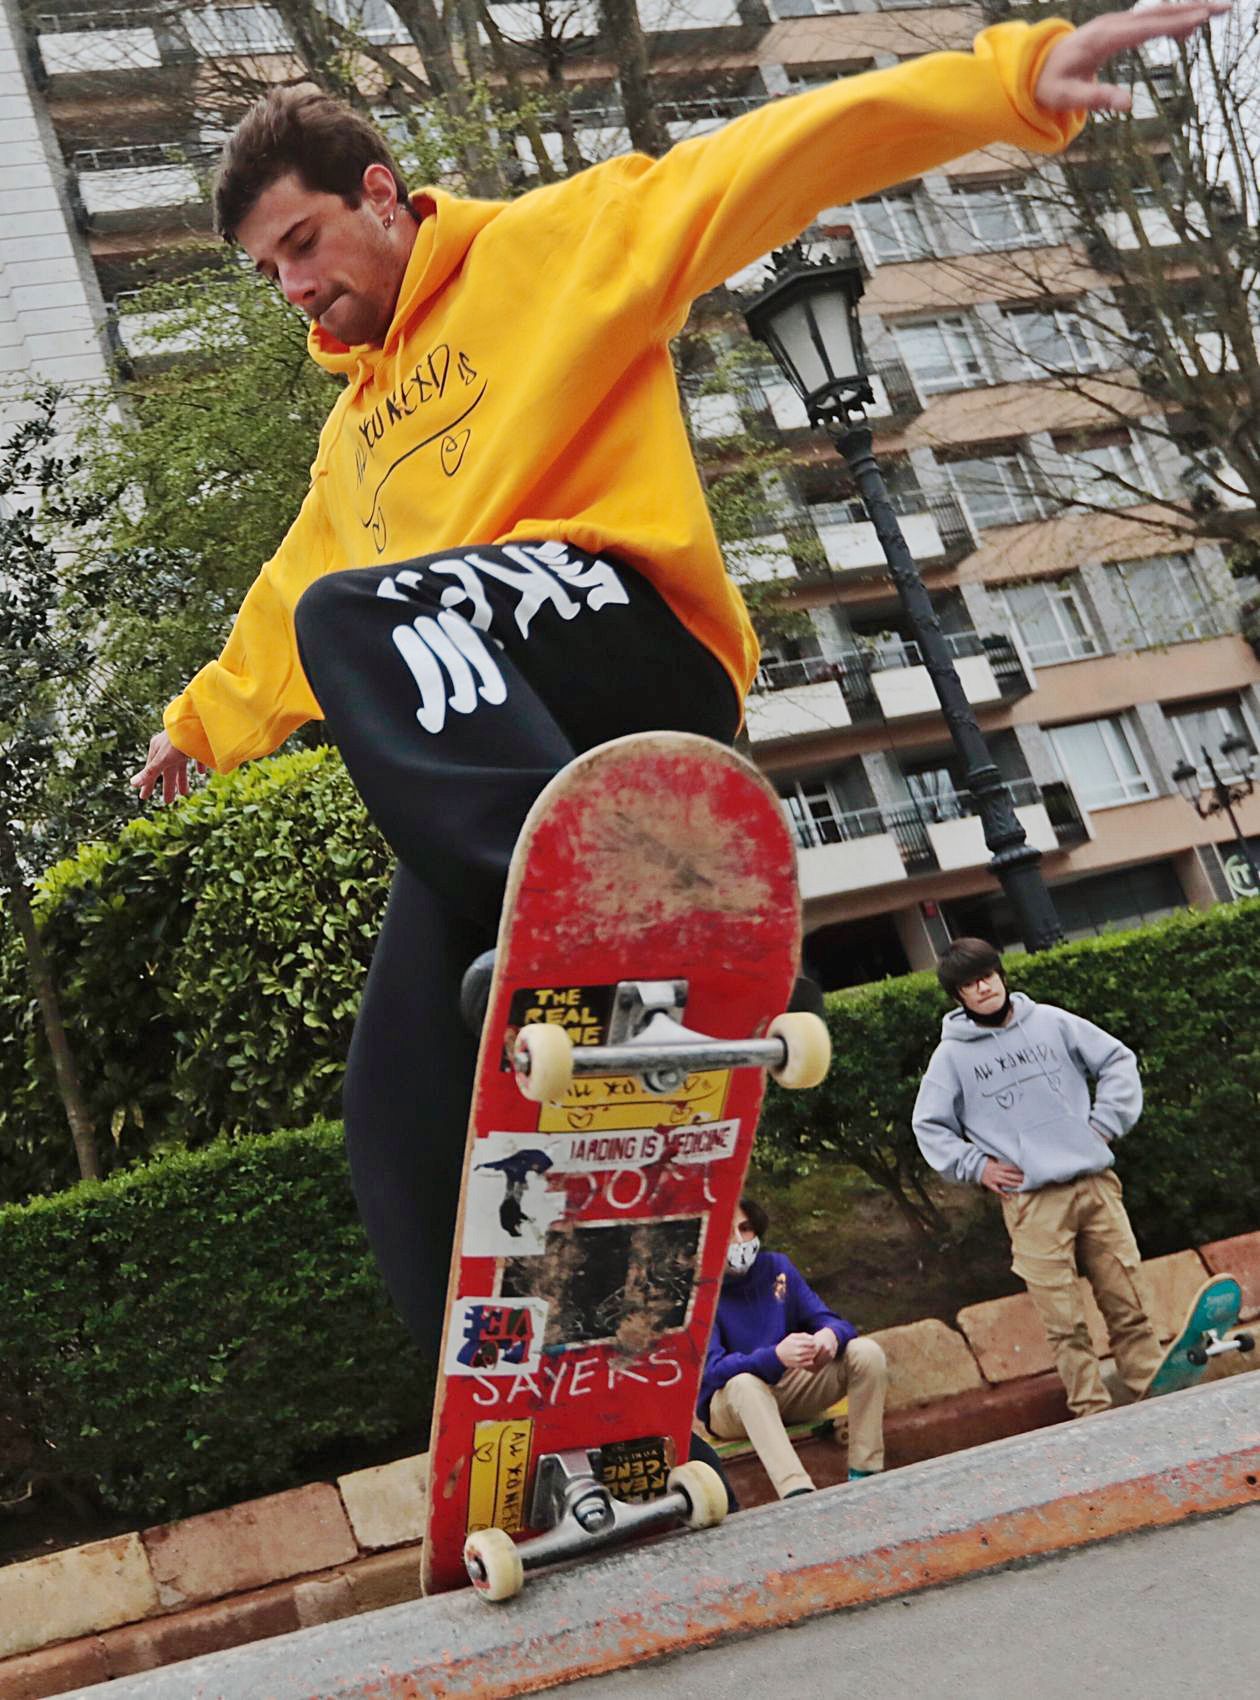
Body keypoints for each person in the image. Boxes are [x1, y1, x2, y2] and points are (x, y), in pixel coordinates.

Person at [128, 5, 1226, 1363]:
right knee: (399, 1090)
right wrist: (201, 724)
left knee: (369, 618)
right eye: (266, 271)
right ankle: (567, 1368)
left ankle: (637, 923)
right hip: (510, 730)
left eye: (303, 244)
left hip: (634, 652)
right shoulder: (354, 441)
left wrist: (1005, 84)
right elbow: (289, 599)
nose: (294, 286)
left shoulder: (556, 243)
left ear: (381, 196)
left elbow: (772, 157)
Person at [912, 937, 1163, 1417]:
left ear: (1001, 975)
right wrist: (978, 1166)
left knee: (1127, 1297)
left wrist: (1107, 1122)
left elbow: (1117, 1060)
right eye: (969, 984)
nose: (983, 988)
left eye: (987, 975)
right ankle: (1091, 1410)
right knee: (1063, 1319)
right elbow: (929, 1125)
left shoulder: (1052, 1022)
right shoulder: (950, 1058)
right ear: (958, 997)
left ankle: (1151, 1386)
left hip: (1093, 1183)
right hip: (1030, 1202)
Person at [698, 1198, 886, 1497]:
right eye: (725, 1230)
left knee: (866, 1352)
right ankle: (796, 1491)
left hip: (790, 1388)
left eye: (745, 1228)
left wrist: (829, 1337)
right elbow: (712, 1371)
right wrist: (774, 1356)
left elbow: (832, 1320)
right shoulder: (700, 1289)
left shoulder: (777, 1267)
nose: (738, 1239)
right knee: (745, 1384)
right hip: (732, 1408)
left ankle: (866, 1473)